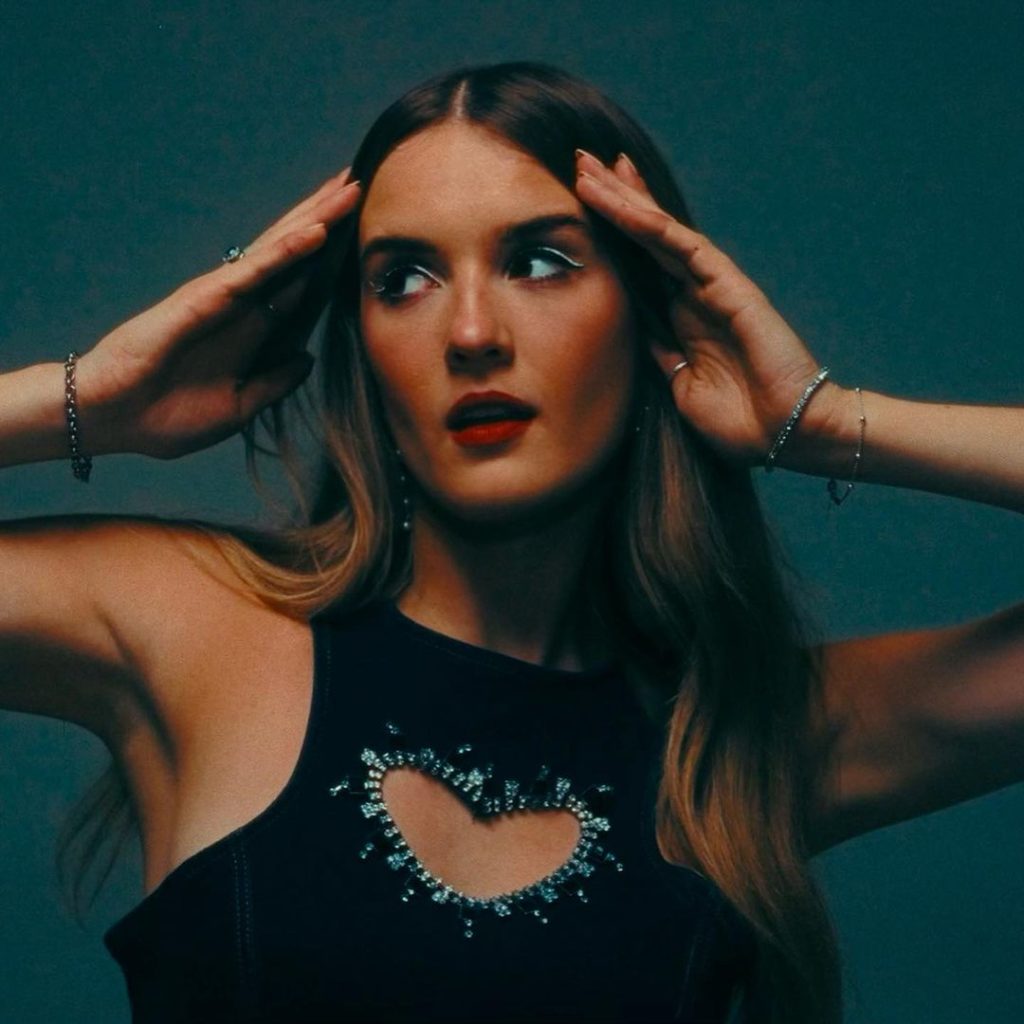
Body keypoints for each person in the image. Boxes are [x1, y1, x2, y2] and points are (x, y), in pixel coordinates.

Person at [0, 61, 1021, 1024]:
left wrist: (824, 420)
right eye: (404, 279)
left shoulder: (747, 734)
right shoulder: (198, 628)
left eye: (539, 262)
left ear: (654, 315)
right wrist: (89, 399)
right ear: (362, 347)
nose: (471, 333)